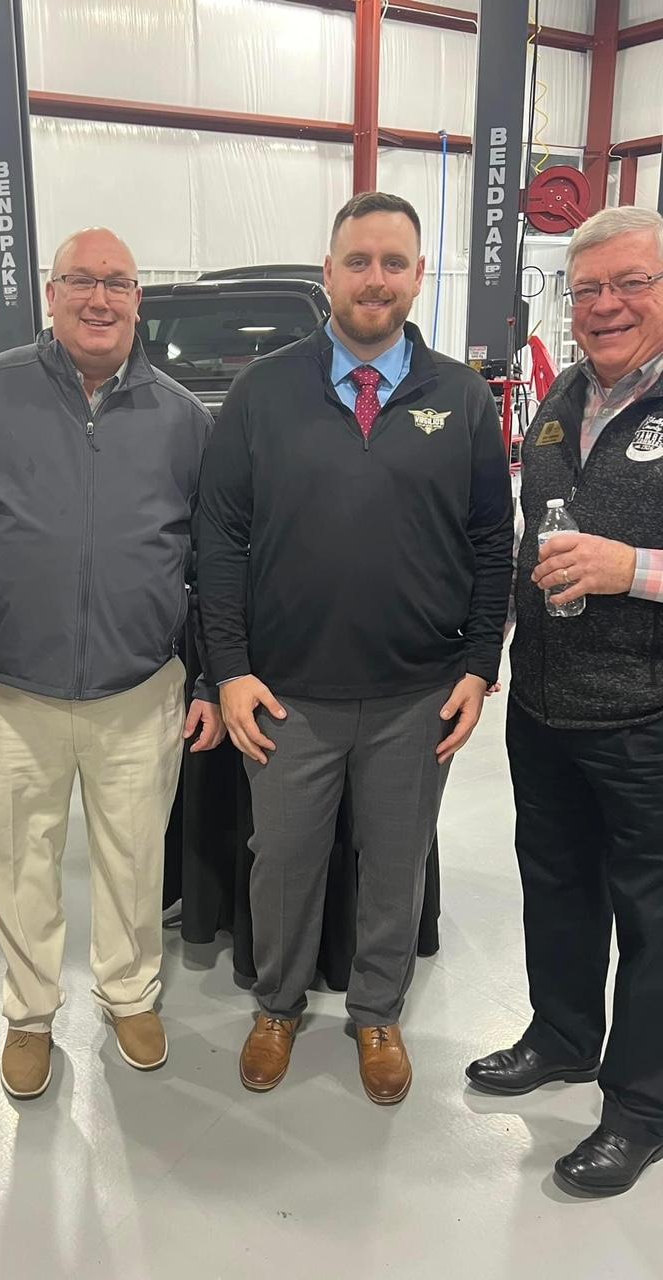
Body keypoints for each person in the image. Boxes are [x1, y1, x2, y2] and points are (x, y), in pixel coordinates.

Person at [197, 191, 512, 1100]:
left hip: (418, 695)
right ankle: (277, 1006)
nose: (377, 279)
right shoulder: (262, 393)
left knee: (395, 865)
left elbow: (493, 539)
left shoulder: (460, 396)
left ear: (418, 277)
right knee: (282, 864)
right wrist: (231, 671)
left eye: (394, 263)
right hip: (287, 695)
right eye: (360, 261)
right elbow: (219, 539)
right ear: (330, 272)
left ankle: (378, 1013)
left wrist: (478, 665)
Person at [0, 228, 223, 1098]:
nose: (99, 298)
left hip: (140, 686)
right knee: (16, 859)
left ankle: (130, 994)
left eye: (117, 283)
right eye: (81, 281)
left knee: (135, 856)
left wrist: (206, 675)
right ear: (50, 295)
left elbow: (210, 563)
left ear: (138, 300)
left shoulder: (182, 419)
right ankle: (30, 1013)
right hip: (10, 685)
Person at [467, 206, 663, 1197]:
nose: (606, 305)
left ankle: (642, 1106)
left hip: (646, 717)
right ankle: (563, 1034)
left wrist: (633, 568)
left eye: (631, 283)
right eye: (588, 289)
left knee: (653, 916)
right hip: (546, 703)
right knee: (555, 880)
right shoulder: (560, 397)